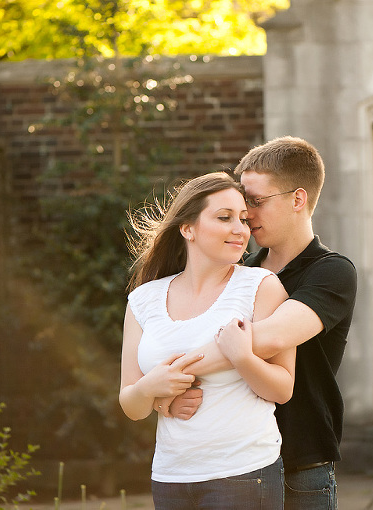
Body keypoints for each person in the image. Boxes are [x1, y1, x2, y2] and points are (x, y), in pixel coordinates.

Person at [164, 136, 357, 510]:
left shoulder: (332, 271)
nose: (247, 214)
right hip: (233, 461)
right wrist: (162, 396)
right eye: (242, 202)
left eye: (256, 201)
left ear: (297, 199)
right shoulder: (238, 272)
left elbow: (267, 339)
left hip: (300, 464)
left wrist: (170, 373)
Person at [119, 171, 296, 510]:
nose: (240, 229)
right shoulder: (143, 300)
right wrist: (151, 388)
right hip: (171, 476)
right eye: (224, 217)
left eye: (243, 219)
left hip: (243, 473)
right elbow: (131, 404)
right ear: (188, 229)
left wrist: (243, 358)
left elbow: (282, 388)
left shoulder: (262, 286)